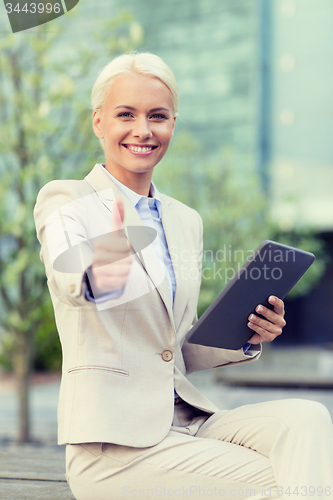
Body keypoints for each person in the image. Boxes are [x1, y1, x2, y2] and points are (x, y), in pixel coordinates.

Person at [34, 52, 333, 500]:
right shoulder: (66, 200)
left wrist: (248, 334)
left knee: (309, 419)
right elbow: (71, 276)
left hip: (189, 421)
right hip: (114, 448)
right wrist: (110, 253)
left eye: (158, 116)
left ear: (173, 123)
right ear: (99, 123)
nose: (143, 129)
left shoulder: (183, 220)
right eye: (125, 115)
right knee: (291, 481)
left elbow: (173, 350)